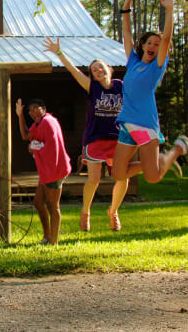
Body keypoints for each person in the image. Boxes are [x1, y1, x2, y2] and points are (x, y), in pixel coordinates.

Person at [111, 0, 188, 189]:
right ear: (143, 45)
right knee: (117, 173)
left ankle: (178, 148)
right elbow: (126, 33)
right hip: (127, 124)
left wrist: (169, 10)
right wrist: (125, 10)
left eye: (157, 45)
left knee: (152, 177)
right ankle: (157, 161)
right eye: (150, 42)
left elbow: (167, 37)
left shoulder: (156, 67)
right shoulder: (133, 62)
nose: (153, 46)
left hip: (144, 124)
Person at [42, 37, 128, 231]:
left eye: (101, 67)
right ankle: (85, 211)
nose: (98, 70)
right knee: (94, 179)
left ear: (109, 68)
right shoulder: (93, 87)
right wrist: (59, 53)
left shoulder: (120, 86)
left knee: (123, 177)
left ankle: (113, 212)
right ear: (93, 76)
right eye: (94, 70)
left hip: (117, 139)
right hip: (95, 138)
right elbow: (74, 71)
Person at [16, 98, 71, 245]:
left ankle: (54, 242)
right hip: (46, 171)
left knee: (53, 205)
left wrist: (34, 147)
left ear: (44, 109)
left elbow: (53, 146)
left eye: (36, 108)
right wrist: (20, 116)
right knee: (38, 203)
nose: (33, 112)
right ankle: (47, 236)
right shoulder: (39, 124)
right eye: (30, 111)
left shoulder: (48, 121)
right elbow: (25, 136)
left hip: (55, 169)